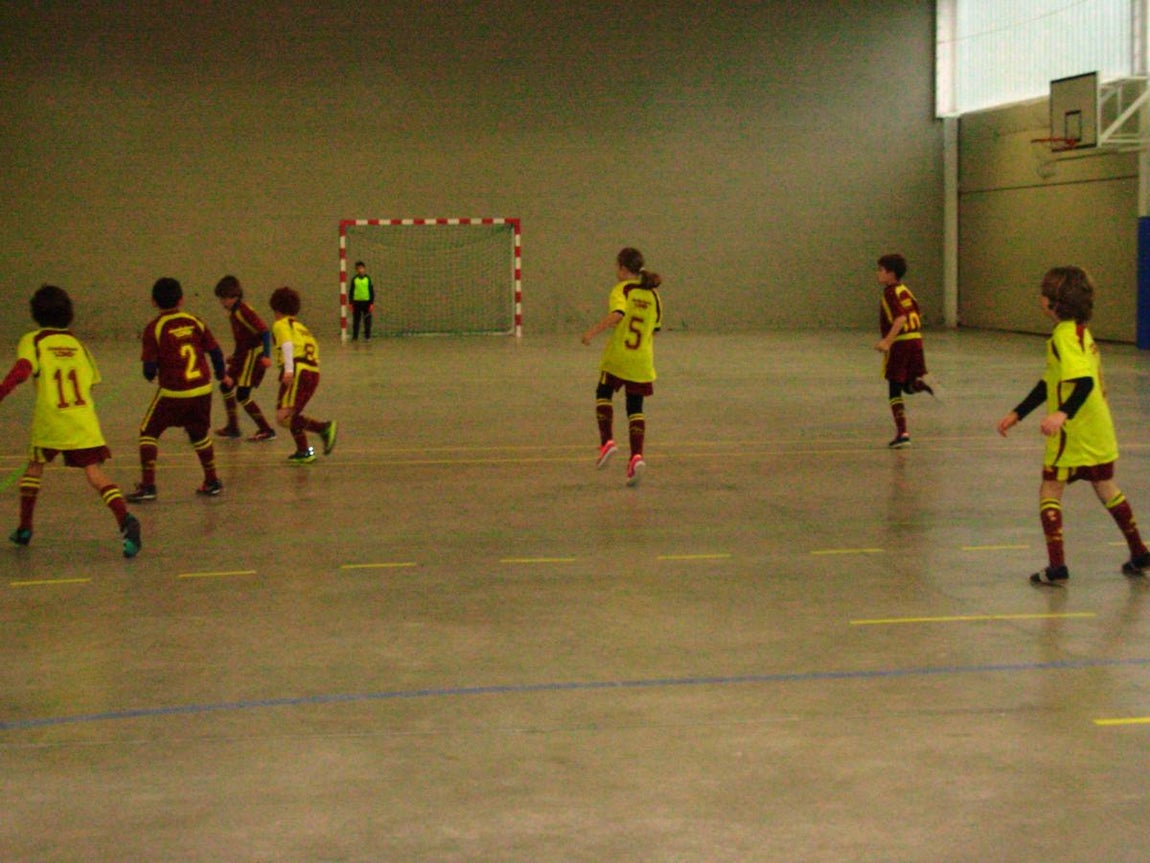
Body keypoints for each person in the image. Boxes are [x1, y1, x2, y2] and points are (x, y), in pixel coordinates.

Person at [996, 266, 1150, 585]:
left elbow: (1083, 383)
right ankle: (1140, 552)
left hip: (1074, 430)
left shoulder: (1064, 336)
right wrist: (1019, 412)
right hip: (1098, 425)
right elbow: (1050, 381)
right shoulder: (1080, 331)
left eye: (1043, 294)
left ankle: (1057, 567)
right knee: (1106, 486)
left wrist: (1061, 414)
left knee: (1050, 488)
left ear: (1053, 303)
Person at [0, 285, 141, 557]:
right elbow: (90, 383)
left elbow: (21, 371)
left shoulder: (34, 340)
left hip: (50, 420)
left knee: (34, 467)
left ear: (35, 314)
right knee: (94, 473)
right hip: (83, 419)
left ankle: (25, 528)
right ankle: (126, 520)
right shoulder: (78, 344)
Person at [126, 277, 227, 502]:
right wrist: (222, 376)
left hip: (174, 392)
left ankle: (148, 486)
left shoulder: (155, 328)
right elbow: (216, 352)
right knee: (199, 434)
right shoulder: (195, 321)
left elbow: (149, 369)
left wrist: (151, 374)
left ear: (153, 302)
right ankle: (212, 481)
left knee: (148, 433)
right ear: (181, 300)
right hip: (202, 389)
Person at [581, 247, 662, 487]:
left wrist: (592, 332)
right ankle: (636, 457)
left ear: (624, 270)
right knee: (635, 408)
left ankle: (607, 441)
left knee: (603, 393)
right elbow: (654, 331)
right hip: (642, 361)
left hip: (618, 358)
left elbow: (618, 313)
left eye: (617, 267)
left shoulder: (623, 289)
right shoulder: (654, 296)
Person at [270, 286, 337, 464]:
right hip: (313, 371)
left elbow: (287, 345)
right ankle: (304, 451)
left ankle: (324, 428)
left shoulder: (280, 325)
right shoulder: (301, 328)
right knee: (293, 413)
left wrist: (290, 370)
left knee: (283, 417)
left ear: (276, 309)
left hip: (298, 369)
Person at [873, 253, 933, 448]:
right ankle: (919, 384)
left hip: (900, 344)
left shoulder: (890, 292)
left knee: (894, 388)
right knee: (907, 384)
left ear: (891, 274)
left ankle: (902, 433)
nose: (878, 274)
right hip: (916, 340)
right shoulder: (906, 291)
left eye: (881, 270)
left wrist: (887, 342)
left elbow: (900, 319)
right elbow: (917, 313)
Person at [212, 275, 277, 442]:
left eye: (223, 299)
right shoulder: (234, 313)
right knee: (226, 387)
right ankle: (233, 427)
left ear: (232, 297)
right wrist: (234, 356)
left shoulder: (243, 311)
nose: (221, 303)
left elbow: (264, 331)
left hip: (252, 356)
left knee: (242, 394)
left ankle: (266, 429)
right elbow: (243, 337)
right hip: (243, 354)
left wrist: (267, 356)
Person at [348, 260, 375, 341]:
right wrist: (350, 303)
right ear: (356, 270)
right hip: (357, 303)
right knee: (356, 321)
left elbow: (371, 291)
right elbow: (351, 291)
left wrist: (371, 303)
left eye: (362, 268)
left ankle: (367, 336)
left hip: (366, 303)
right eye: (358, 268)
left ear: (364, 269)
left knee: (367, 321)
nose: (360, 270)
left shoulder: (368, 279)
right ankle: (355, 336)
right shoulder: (354, 279)